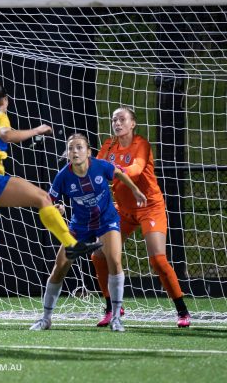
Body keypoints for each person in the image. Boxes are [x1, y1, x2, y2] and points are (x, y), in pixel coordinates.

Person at [0, 64, 102, 336]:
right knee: (43, 198)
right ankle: (70, 245)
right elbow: (7, 135)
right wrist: (38, 130)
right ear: (4, 102)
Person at [29, 133, 147, 332]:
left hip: (106, 221)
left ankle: (116, 318)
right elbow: (49, 202)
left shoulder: (101, 166)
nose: (74, 151)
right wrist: (57, 208)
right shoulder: (63, 176)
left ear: (88, 152)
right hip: (79, 226)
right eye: (71, 148)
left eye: (79, 147)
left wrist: (135, 190)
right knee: (60, 267)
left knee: (115, 261)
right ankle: (46, 318)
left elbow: (118, 173)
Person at [94, 107, 191, 328]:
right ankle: (112, 306)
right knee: (98, 254)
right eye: (114, 119)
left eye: (122, 119)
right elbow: (95, 168)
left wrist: (114, 170)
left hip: (149, 207)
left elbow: (136, 170)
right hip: (124, 210)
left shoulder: (141, 144)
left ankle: (182, 310)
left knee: (157, 259)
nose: (117, 123)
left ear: (132, 123)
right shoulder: (108, 146)